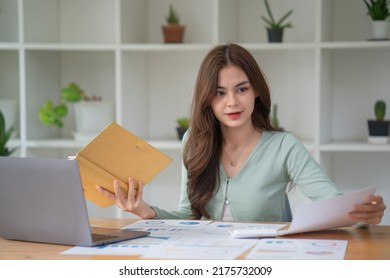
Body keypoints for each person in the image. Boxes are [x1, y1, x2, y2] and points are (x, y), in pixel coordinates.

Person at [96, 43, 386, 224]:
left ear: (256, 90)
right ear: (207, 98)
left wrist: (364, 215)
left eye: (242, 89)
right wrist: (145, 211)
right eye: (219, 93)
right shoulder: (193, 143)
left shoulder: (283, 146)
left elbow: (333, 204)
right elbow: (188, 216)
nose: (232, 102)